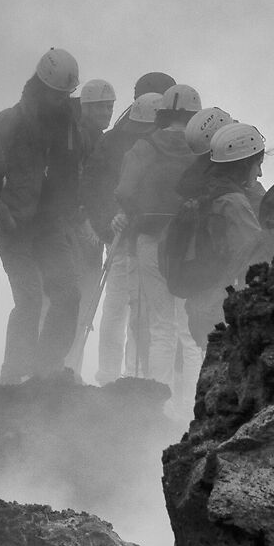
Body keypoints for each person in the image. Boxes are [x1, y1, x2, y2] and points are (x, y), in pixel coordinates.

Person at [0, 48, 89, 380]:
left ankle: (47, 369)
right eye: (56, 93)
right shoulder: (11, 121)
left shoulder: (69, 125)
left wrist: (71, 212)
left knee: (68, 294)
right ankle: (13, 373)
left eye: (66, 94)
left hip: (50, 225)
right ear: (41, 85)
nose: (61, 100)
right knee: (30, 298)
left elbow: (73, 170)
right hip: (16, 225)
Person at [167, 121, 272, 412]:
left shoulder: (203, 191)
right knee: (224, 393)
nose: (260, 173)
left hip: (201, 302)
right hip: (221, 308)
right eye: (257, 165)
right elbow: (254, 260)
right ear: (242, 165)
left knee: (210, 382)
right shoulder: (233, 203)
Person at [106, 85, 203, 383]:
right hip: (189, 244)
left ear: (163, 114)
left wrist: (128, 211)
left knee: (161, 327)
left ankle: (156, 406)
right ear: (194, 115)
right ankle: (189, 411)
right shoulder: (201, 149)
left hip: (149, 241)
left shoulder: (144, 146)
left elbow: (124, 190)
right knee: (190, 333)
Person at [78, 76, 173, 381]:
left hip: (124, 234)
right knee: (136, 310)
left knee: (118, 307)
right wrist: (109, 223)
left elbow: (92, 186)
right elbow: (96, 186)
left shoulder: (116, 137)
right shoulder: (165, 143)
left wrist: (106, 224)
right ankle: (128, 378)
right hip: (141, 236)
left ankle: (110, 376)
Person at [68, 77, 119, 375]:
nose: (106, 112)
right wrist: (85, 216)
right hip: (80, 226)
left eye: (109, 106)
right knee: (79, 294)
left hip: (88, 225)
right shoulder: (81, 136)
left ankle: (68, 366)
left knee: (82, 296)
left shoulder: (95, 137)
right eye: (100, 106)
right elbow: (76, 181)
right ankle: (65, 366)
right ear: (85, 107)